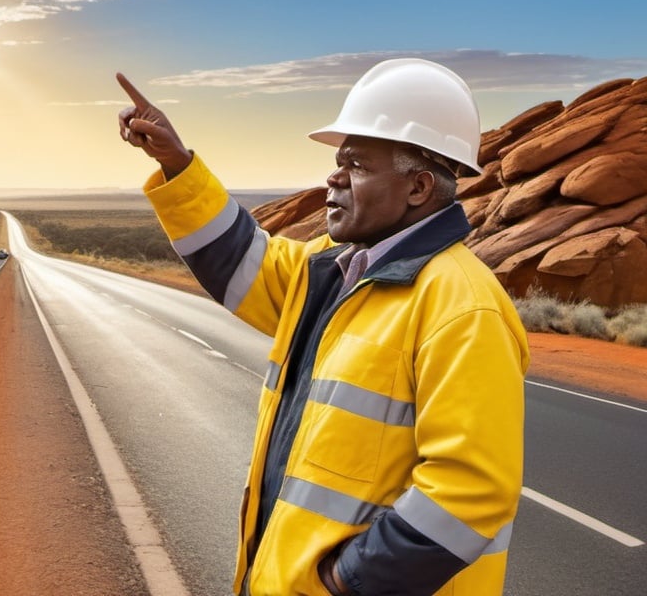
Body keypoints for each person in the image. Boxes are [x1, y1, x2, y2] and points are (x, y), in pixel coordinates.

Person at [116, 58, 528, 596]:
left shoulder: (463, 307)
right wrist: (176, 164)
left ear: (419, 188)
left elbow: (470, 491)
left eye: (355, 164)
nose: (332, 177)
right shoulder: (331, 272)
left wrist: (345, 583)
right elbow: (241, 260)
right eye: (338, 161)